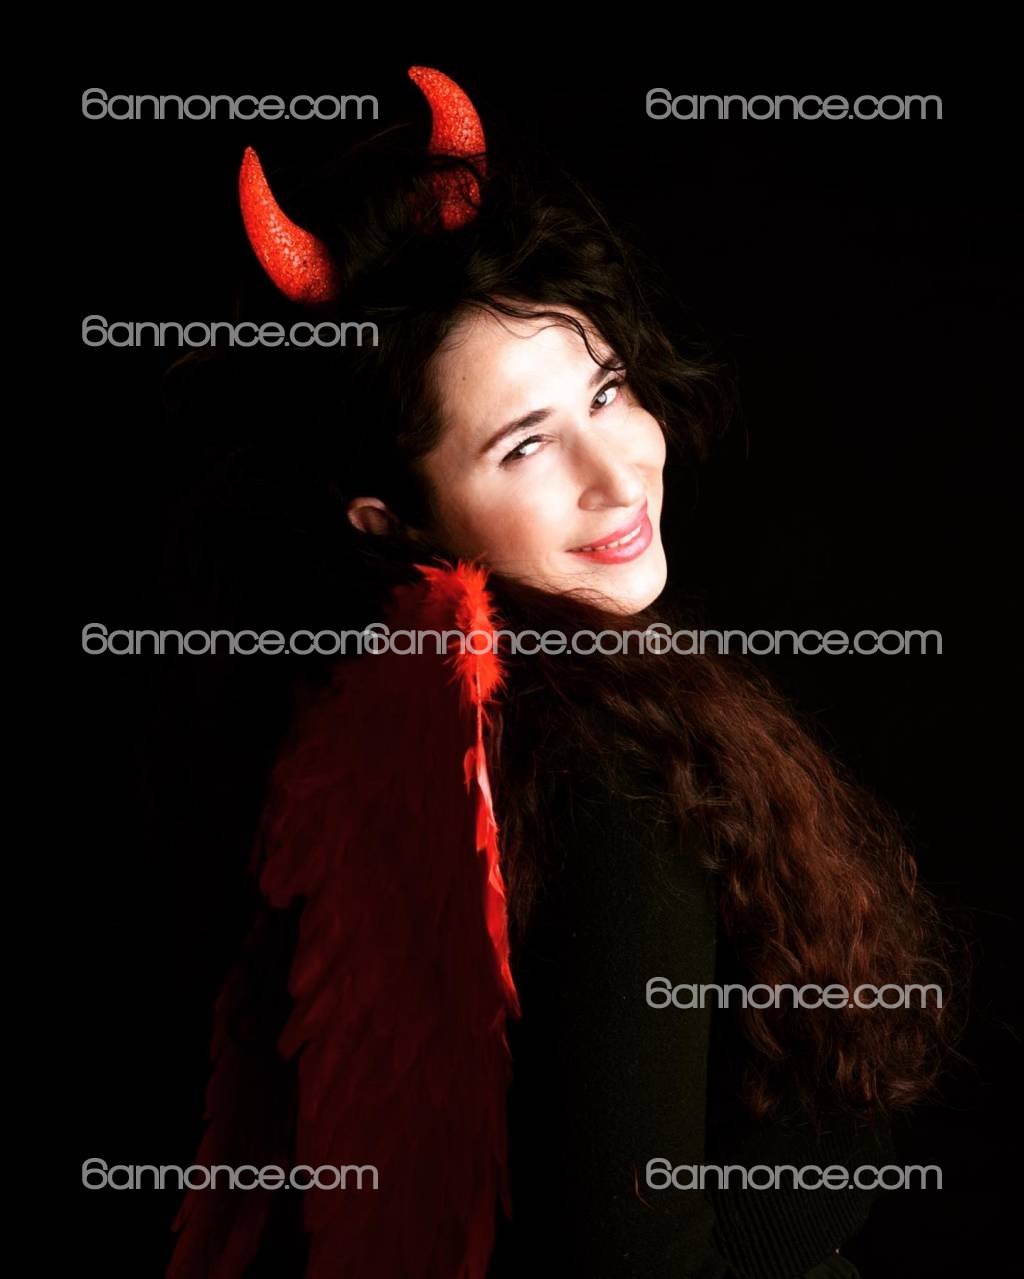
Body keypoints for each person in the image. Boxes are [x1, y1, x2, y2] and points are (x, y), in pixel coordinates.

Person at [164, 67, 957, 1279]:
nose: (617, 470)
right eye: (526, 445)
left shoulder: (421, 725)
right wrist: (842, 1145)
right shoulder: (599, 773)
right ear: (394, 521)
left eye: (605, 389)